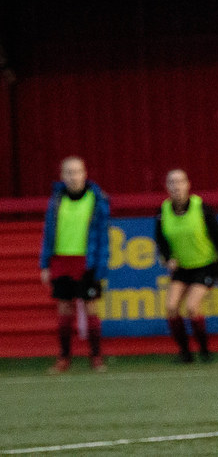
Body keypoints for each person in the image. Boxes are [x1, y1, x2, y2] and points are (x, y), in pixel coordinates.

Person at [39, 156, 110, 373]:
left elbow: (102, 237)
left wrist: (100, 265)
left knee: (90, 307)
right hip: (61, 260)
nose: (73, 176)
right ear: (62, 176)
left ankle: (96, 358)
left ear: (84, 174)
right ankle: (64, 358)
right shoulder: (56, 200)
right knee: (64, 308)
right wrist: (45, 264)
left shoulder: (96, 199)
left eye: (77, 171)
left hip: (86, 261)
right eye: (68, 172)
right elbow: (48, 234)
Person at [154, 169, 218, 363]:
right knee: (171, 308)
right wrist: (168, 257)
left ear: (188, 185)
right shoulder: (163, 212)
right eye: (172, 182)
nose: (176, 187)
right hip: (182, 268)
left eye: (180, 182)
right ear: (167, 187)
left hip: (204, 266)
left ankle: (204, 351)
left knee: (192, 307)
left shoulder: (201, 208)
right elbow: (160, 240)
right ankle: (185, 353)